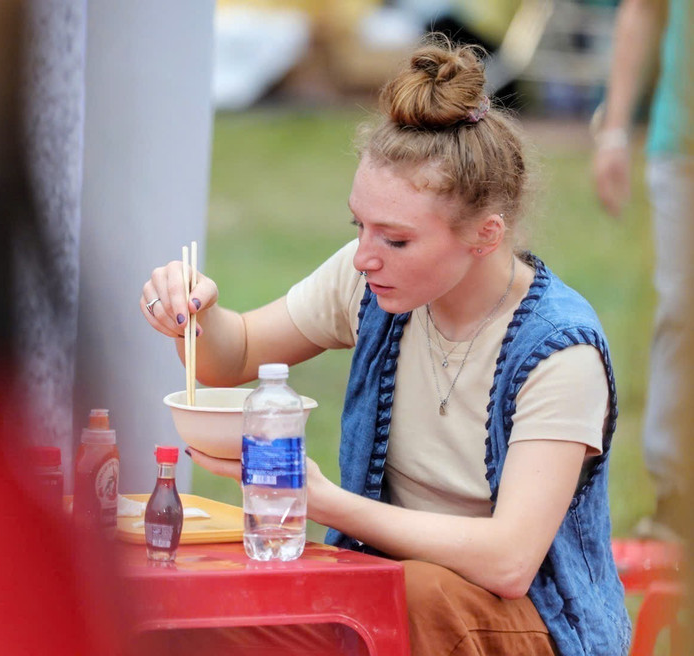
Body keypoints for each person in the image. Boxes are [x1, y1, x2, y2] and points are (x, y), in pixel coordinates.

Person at [142, 37, 630, 656]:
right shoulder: (369, 278)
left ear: (485, 236)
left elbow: (510, 561)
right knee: (205, 616)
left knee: (413, 597)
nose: (366, 255)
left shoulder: (560, 351)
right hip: (384, 587)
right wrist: (196, 314)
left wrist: (322, 502)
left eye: (396, 239)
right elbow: (233, 357)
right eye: (359, 225)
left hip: (525, 621)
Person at [593, 0, 692, 542]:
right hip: (683, 147)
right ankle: (675, 495)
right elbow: (642, 10)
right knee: (682, 312)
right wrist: (613, 131)